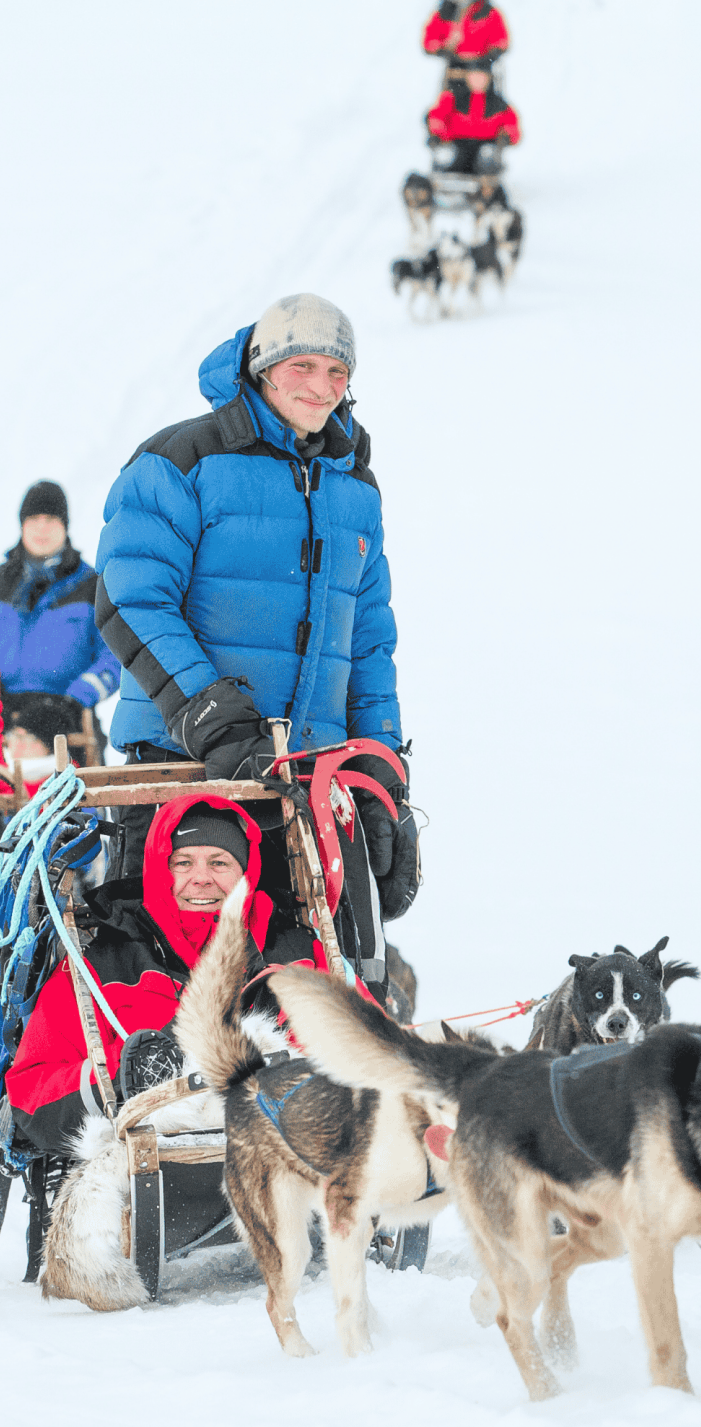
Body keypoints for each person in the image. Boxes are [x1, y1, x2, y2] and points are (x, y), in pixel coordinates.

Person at [93, 293, 419, 998]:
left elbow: (368, 640)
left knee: (317, 997)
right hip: (184, 772)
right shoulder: (182, 459)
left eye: (337, 372)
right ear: (262, 369)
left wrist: (382, 765)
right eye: (303, 366)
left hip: (306, 782)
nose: (321, 386)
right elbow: (131, 598)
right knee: (156, 993)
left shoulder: (354, 487)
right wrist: (213, 717)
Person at [5, 793, 328, 1154]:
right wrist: (121, 1074)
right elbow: (30, 1096)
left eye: (220, 862)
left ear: (246, 873)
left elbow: (358, 1054)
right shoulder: (104, 965)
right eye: (183, 862)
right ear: (161, 870)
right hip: (147, 1166)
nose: (201, 878)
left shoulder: (298, 956)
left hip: (281, 1155)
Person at [0, 481, 120, 749]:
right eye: (34, 519)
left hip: (69, 721)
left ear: (65, 525)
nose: (42, 527)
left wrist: (73, 702)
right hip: (2, 719)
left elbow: (115, 658)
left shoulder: (93, 586)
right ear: (22, 525)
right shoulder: (0, 583)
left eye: (51, 519)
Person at [427, 67, 520, 174]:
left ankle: (487, 180)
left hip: (485, 144)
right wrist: (436, 133)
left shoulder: (499, 104)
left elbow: (511, 124)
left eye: (481, 77)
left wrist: (507, 137)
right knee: (446, 156)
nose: (478, 81)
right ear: (467, 78)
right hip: (456, 143)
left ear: (488, 79)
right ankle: (445, 176)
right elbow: (436, 116)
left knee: (488, 156)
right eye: (474, 77)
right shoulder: (453, 97)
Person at [422, 2, 509, 68]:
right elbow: (429, 42)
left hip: (482, 67)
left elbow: (501, 41)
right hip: (454, 67)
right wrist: (445, 46)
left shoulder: (488, 12)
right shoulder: (443, 14)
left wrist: (488, 54)